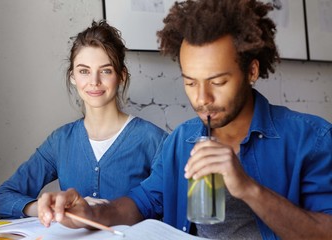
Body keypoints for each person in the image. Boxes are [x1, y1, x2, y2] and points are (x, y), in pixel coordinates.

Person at [37, 0, 332, 239]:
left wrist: (248, 189)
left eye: (217, 82)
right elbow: (143, 202)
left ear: (252, 71)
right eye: (190, 82)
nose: (202, 97)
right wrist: (90, 213)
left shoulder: (311, 138)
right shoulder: (181, 139)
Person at [0, 20, 168, 219]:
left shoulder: (154, 139)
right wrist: (44, 208)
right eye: (84, 71)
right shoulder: (60, 141)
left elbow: (173, 205)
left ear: (122, 76)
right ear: (73, 76)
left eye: (106, 71)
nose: (94, 82)